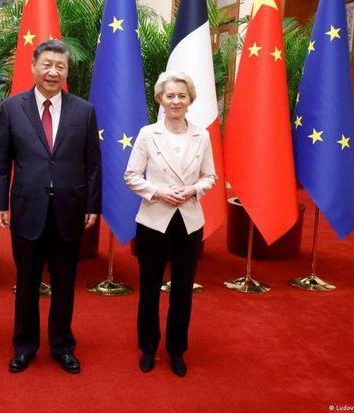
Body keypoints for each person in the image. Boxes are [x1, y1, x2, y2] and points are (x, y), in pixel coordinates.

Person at [0, 39, 101, 374]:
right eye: (47, 65)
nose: (53, 72)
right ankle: (24, 346)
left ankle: (62, 346)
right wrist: (0, 203)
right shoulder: (12, 108)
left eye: (60, 66)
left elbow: (93, 164)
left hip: (70, 209)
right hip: (27, 209)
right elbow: (2, 162)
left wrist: (92, 205)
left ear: (66, 71)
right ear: (33, 66)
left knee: (65, 284)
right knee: (26, 283)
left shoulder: (84, 110)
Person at [124, 72, 217, 377]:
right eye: (170, 96)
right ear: (160, 99)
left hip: (189, 221)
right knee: (149, 287)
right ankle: (148, 347)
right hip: (154, 220)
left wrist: (193, 190)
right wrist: (157, 192)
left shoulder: (202, 135)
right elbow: (131, 176)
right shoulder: (147, 134)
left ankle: (177, 350)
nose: (176, 101)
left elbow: (210, 176)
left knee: (182, 290)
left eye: (181, 96)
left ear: (190, 100)